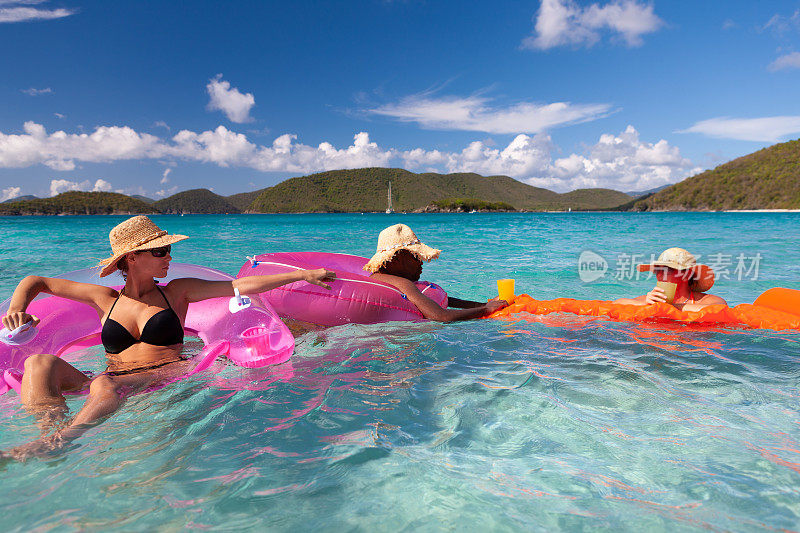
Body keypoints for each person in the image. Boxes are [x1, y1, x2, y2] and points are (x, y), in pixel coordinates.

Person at [1, 215, 335, 461]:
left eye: (168, 250)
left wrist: (302, 274)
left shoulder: (177, 292)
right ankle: (48, 434)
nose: (169, 257)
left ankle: (65, 439)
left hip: (168, 372)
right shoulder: (105, 299)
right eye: (161, 251)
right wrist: (17, 309)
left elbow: (239, 286)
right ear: (132, 257)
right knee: (38, 362)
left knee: (105, 386)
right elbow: (36, 281)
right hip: (113, 378)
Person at [364, 224, 508, 321]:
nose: (421, 262)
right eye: (416, 257)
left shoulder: (382, 277)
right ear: (395, 259)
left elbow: (440, 300)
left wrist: (481, 304)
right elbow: (440, 316)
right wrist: (485, 311)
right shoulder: (403, 283)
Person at [613, 247, 727, 311]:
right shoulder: (651, 300)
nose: (660, 275)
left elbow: (720, 308)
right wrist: (646, 304)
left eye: (668, 270)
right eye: (658, 270)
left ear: (686, 275)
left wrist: (668, 307)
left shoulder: (704, 301)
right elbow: (616, 303)